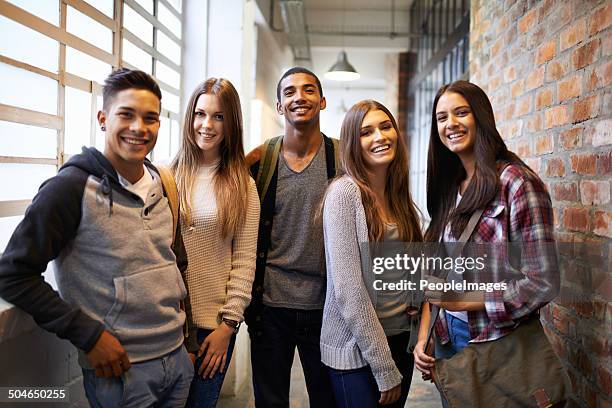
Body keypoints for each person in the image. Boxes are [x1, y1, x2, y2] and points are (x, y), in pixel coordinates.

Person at [0, 68, 193, 407]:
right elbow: (13, 275)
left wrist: (185, 345)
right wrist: (88, 336)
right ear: (103, 118)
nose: (139, 128)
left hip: (176, 360)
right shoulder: (69, 188)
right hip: (120, 370)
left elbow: (174, 262)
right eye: (126, 114)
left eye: (150, 118)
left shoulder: (163, 182)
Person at [412, 80, 559, 406]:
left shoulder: (517, 184)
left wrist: (467, 300)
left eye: (461, 113)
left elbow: (543, 282)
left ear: (481, 117)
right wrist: (424, 337)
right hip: (447, 338)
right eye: (441, 117)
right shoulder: (449, 186)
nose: (450, 124)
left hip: (496, 341)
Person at [244, 67, 338, 407]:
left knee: (327, 400)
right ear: (280, 105)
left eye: (309, 90)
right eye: (290, 92)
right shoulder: (259, 161)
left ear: (322, 101)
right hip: (270, 308)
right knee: (270, 402)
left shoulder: (342, 160)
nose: (300, 96)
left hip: (327, 307)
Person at [321, 100, 422, 407]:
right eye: (367, 132)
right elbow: (348, 290)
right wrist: (383, 366)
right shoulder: (344, 193)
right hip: (357, 350)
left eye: (386, 126)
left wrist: (414, 302)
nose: (380, 136)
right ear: (354, 143)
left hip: (398, 340)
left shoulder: (397, 194)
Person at [170, 78, 259, 407]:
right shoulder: (167, 175)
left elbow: (244, 261)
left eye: (218, 116)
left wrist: (228, 326)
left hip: (213, 328)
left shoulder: (242, 186)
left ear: (231, 123)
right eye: (200, 114)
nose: (206, 125)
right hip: (167, 322)